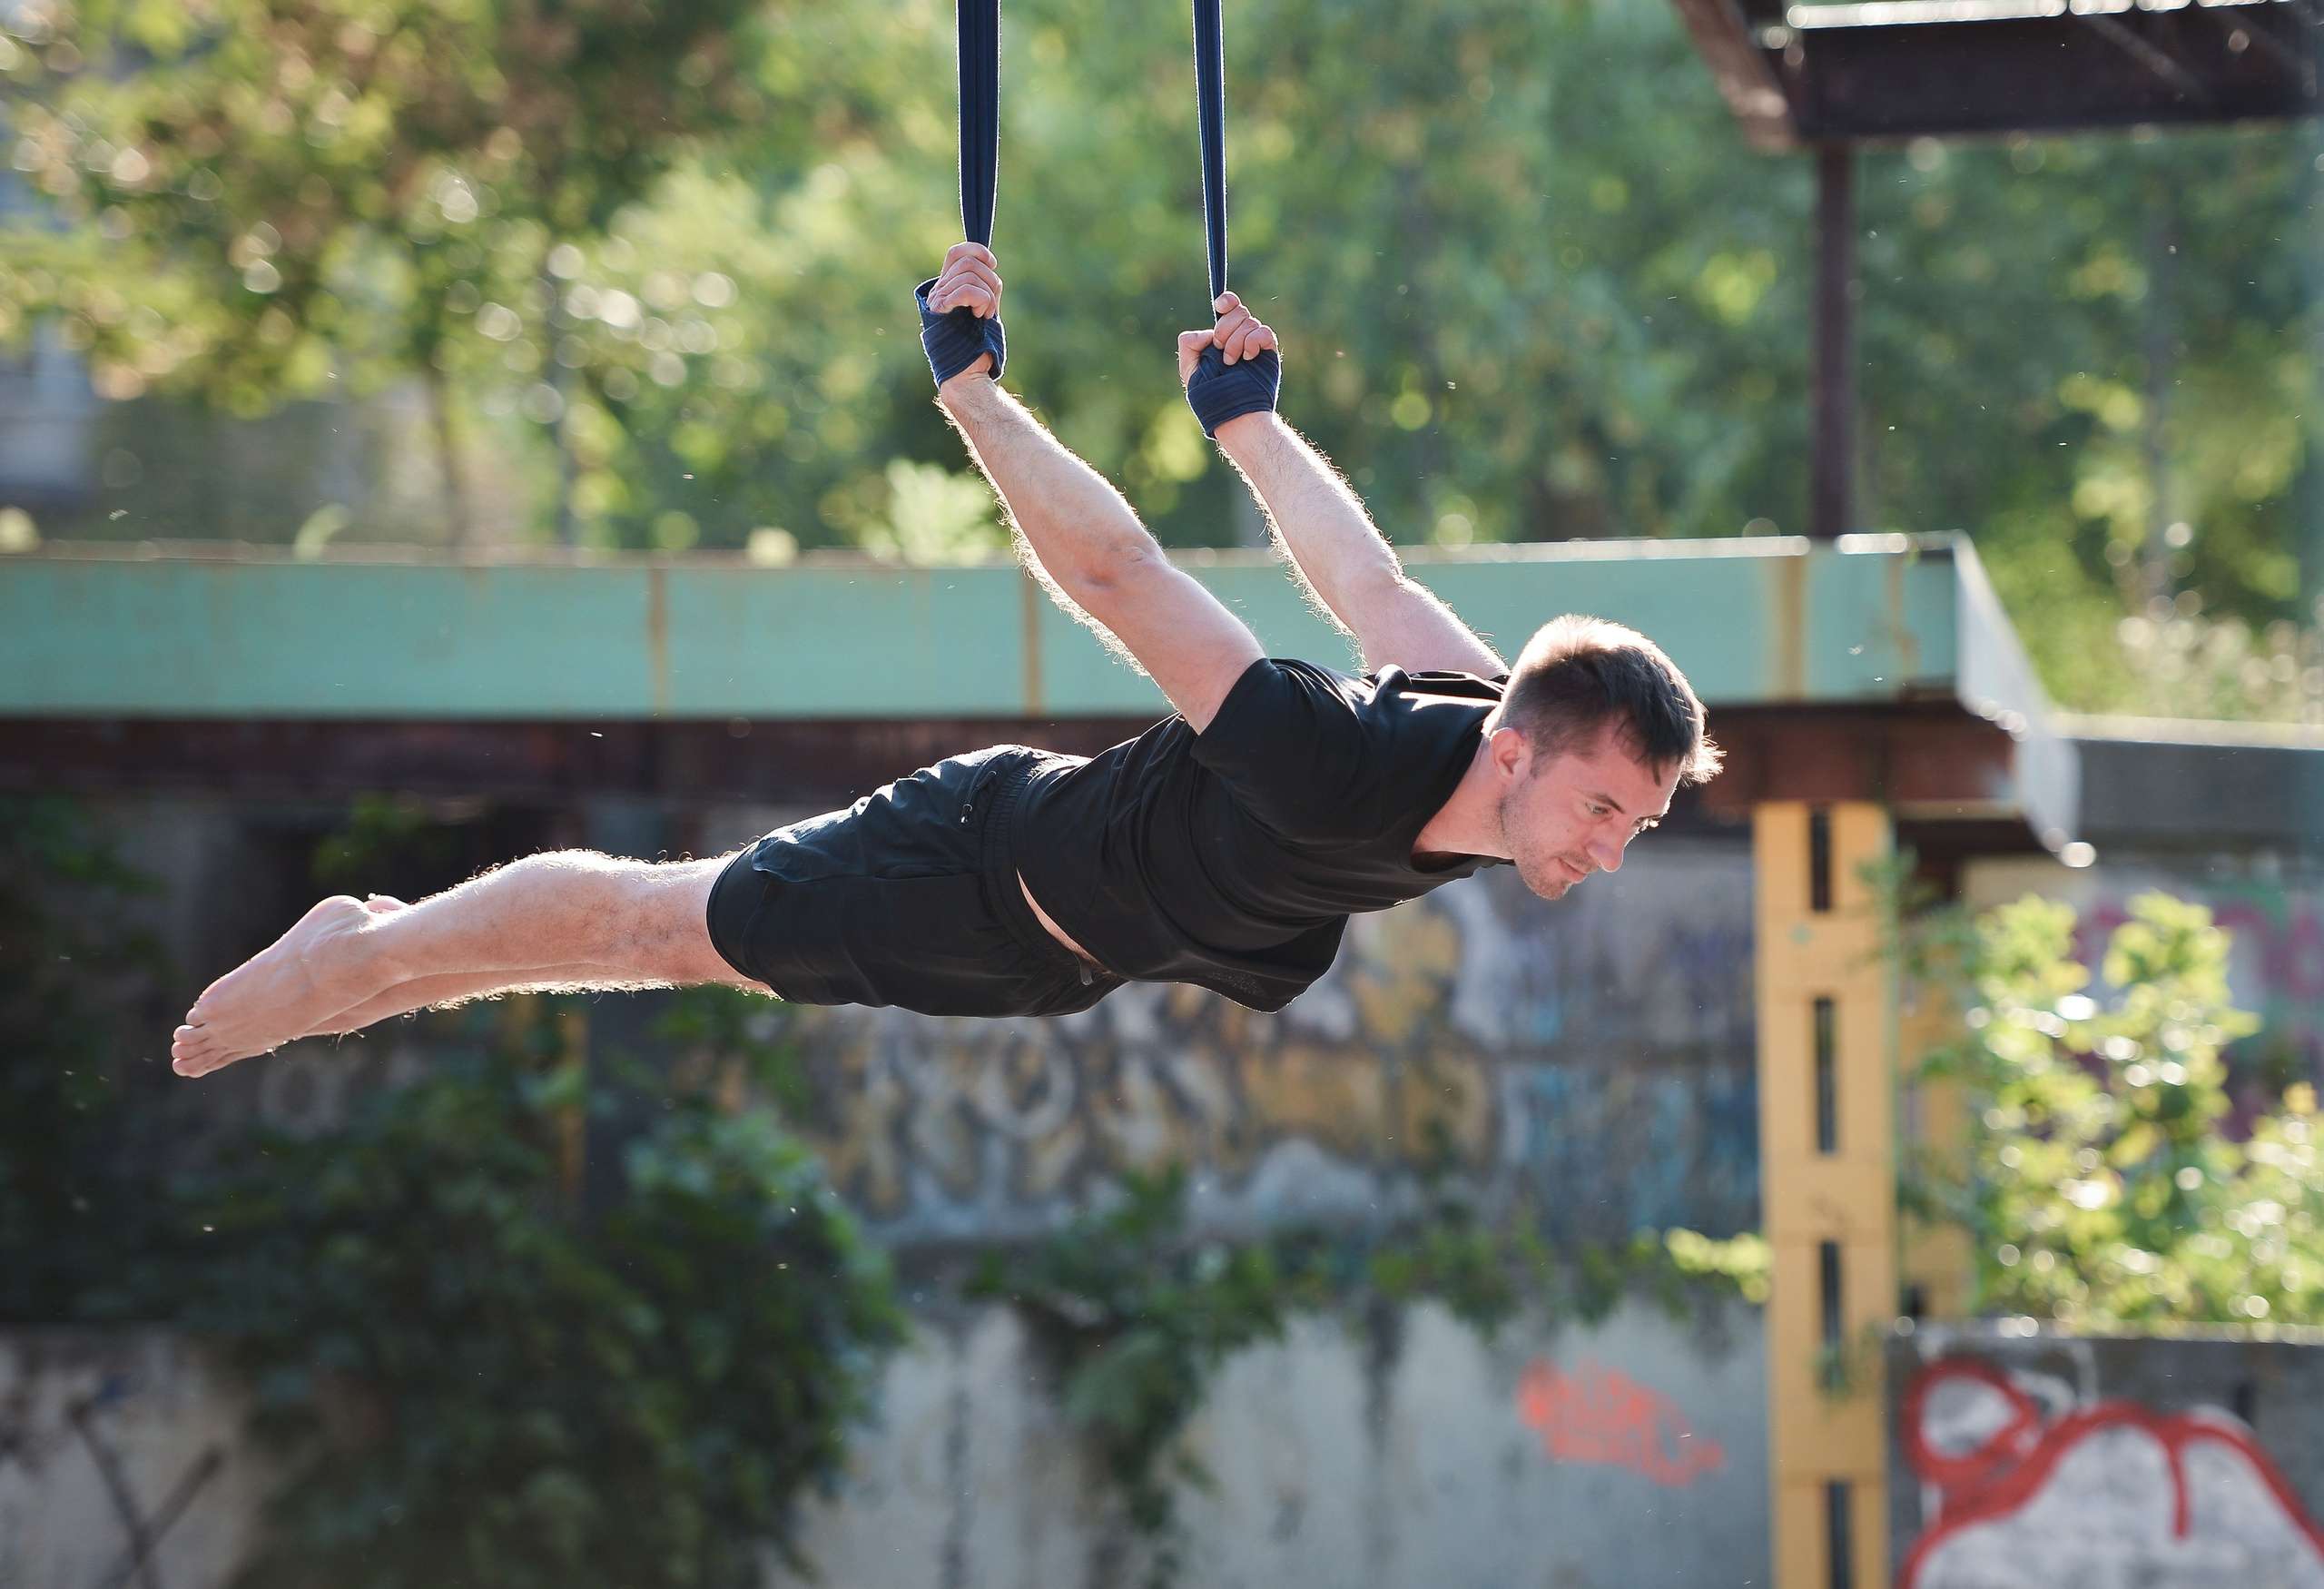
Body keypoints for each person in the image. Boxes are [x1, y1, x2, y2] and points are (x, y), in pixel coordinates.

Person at [169, 243, 1720, 1079]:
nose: (1608, 848)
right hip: (970, 867)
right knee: (661, 923)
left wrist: (1250, 425)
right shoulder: (1330, 753)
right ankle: (364, 954)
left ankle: (379, 959)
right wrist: (978, 397)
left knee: (676, 944)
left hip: (1046, 958)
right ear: (1527, 750)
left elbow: (1366, 576)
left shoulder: (1476, 717)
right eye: (1603, 808)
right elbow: (1123, 577)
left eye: (1631, 828)